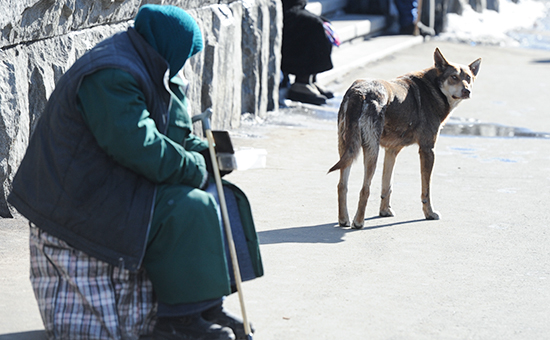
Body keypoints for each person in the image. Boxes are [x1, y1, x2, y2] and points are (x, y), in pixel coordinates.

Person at [8, 5, 262, 340]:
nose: (184, 66)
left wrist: (211, 156)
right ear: (171, 46)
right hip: (77, 198)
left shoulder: (147, 62)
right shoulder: (112, 73)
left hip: (108, 179)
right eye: (185, 56)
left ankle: (205, 306)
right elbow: (139, 146)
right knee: (189, 206)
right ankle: (177, 320)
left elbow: (173, 134)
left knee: (223, 197)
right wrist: (195, 167)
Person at [281, 0, 335, 105]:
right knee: (313, 25)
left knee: (324, 24)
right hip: (284, 9)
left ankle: (312, 78)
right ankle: (302, 82)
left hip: (296, 7)